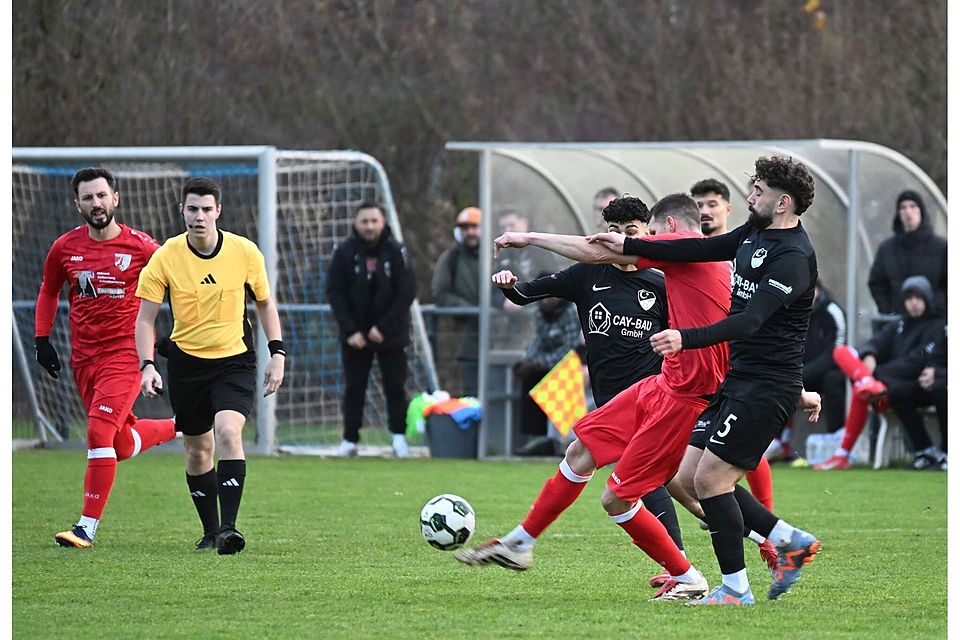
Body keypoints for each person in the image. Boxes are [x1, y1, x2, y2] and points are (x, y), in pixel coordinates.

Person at [458, 194, 732, 602]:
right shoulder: (670, 259)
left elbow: (598, 249)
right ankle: (520, 543)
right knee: (581, 453)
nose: (632, 242)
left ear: (666, 228)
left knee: (633, 494)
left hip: (676, 394)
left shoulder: (679, 258)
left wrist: (528, 237)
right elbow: (588, 257)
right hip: (651, 391)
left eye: (646, 233)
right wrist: (524, 254)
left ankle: (704, 566)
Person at [591, 156, 821, 605]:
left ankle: (735, 589)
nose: (750, 197)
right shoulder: (755, 234)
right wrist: (629, 247)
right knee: (689, 472)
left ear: (782, 202)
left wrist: (686, 338)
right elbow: (696, 249)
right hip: (740, 379)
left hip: (765, 386)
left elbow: (751, 320)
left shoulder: (794, 257)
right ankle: (790, 539)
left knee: (712, 480)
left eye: (758, 191)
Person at [484, 203, 687, 556]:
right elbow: (526, 293)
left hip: (651, 399)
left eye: (630, 230)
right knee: (681, 486)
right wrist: (508, 286)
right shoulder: (585, 276)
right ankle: (761, 535)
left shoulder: (661, 284)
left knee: (637, 478)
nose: (620, 238)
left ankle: (685, 566)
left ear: (647, 234)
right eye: (613, 229)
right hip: (610, 401)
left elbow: (687, 338)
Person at [135, 177, 285, 554]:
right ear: (181, 211)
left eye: (206, 209)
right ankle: (211, 531)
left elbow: (265, 304)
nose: (199, 216)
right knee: (198, 450)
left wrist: (278, 354)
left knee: (229, 431)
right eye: (192, 209)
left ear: (218, 211)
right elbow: (144, 320)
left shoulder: (244, 252)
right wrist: (147, 365)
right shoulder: (166, 257)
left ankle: (230, 530)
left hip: (234, 361)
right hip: (186, 365)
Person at [36, 167, 178, 548]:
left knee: (98, 432)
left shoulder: (142, 246)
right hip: (84, 358)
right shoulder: (64, 247)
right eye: (88, 197)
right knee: (117, 445)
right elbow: (49, 291)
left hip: (125, 354)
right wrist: (42, 339)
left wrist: (174, 336)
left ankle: (85, 528)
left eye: (102, 196)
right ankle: (183, 425)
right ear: (77, 204)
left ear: (115, 198)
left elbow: (178, 281)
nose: (96, 204)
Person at [816, 275, 946, 471]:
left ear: (927, 299)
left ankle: (843, 454)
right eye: (909, 298)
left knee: (867, 389)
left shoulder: (937, 326)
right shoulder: (899, 325)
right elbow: (874, 343)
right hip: (879, 391)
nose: (913, 303)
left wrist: (875, 374)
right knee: (841, 352)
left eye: (918, 298)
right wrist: (870, 354)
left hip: (906, 388)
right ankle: (866, 383)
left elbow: (916, 362)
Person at [326, 202, 418, 458]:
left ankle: (399, 438)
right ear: (356, 224)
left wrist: (383, 327)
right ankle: (349, 439)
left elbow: (406, 291)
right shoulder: (344, 252)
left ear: (383, 222)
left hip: (391, 334)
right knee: (355, 386)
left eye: (374, 221)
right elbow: (335, 292)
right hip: (355, 336)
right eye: (364, 221)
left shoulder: (397, 251)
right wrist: (350, 330)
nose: (369, 226)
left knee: (395, 386)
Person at [511, 286, 582, 451]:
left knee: (558, 379)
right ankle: (536, 436)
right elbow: (538, 342)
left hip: (572, 364)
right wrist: (527, 360)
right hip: (548, 363)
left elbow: (569, 349)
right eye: (542, 298)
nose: (545, 302)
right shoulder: (539, 314)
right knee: (529, 379)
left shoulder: (570, 312)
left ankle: (560, 441)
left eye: (549, 297)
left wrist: (537, 363)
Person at [868, 190, 946, 316]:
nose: (908, 212)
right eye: (903, 208)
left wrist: (939, 309)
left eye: (913, 206)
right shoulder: (887, 249)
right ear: (899, 214)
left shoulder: (941, 247)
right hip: (899, 320)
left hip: (934, 321)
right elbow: (877, 283)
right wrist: (888, 309)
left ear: (921, 211)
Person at [431, 207, 482, 396]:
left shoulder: (498, 255)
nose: (470, 232)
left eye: (474, 227)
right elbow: (440, 293)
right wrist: (471, 311)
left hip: (502, 339)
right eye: (465, 227)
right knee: (472, 394)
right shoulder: (450, 258)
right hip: (466, 340)